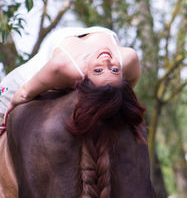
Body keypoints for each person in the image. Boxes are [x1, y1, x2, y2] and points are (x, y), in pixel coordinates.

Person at [0, 26, 141, 132]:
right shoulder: (128, 57)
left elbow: (24, 93)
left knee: (3, 93)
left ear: (84, 77)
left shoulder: (65, 66)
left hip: (65, 46)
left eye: (98, 71)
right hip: (97, 31)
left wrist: (10, 106)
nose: (106, 61)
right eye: (115, 70)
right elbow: (130, 85)